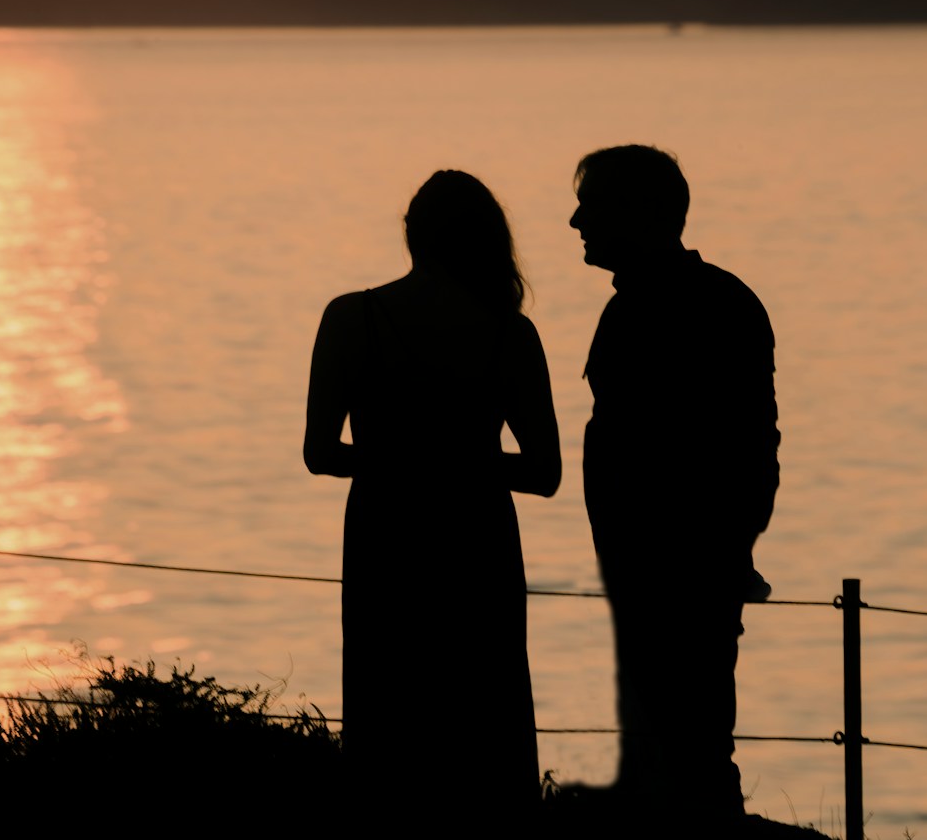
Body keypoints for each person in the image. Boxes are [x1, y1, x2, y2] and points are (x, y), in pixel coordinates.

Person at [305, 170, 561, 816]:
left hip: (385, 535)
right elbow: (545, 472)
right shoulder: (511, 334)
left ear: (412, 235)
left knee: (387, 705)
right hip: (478, 542)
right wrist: (463, 462)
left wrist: (399, 459)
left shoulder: (351, 317)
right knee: (484, 711)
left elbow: (320, 452)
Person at [569, 144, 780, 821]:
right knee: (674, 732)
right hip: (652, 561)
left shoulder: (700, 305)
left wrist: (722, 548)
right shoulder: (690, 301)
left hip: (677, 562)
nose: (576, 220)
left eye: (591, 205)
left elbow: (749, 445)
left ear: (639, 212)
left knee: (686, 734)